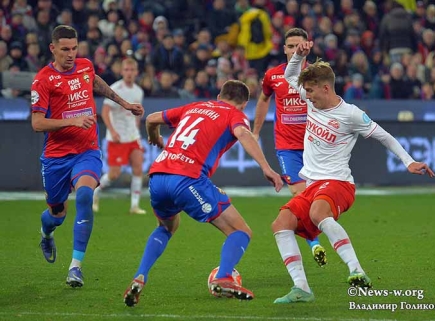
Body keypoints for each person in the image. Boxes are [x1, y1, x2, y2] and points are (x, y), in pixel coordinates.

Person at [272, 41, 435, 303]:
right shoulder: (311, 100)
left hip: (338, 183)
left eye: (312, 91)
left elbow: (385, 137)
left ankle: (356, 270)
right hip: (312, 184)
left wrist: (408, 162)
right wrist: (298, 57)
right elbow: (291, 76)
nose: (307, 96)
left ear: (326, 88)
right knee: (281, 224)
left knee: (317, 213)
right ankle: (301, 288)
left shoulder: (351, 115)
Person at [123, 80, 284, 307]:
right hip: (188, 178)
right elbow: (244, 135)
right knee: (241, 231)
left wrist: (154, 137)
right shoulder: (234, 114)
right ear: (244, 103)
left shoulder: (194, 106)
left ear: (219, 95)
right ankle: (224, 277)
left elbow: (151, 119)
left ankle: (140, 276)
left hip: (158, 176)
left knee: (166, 227)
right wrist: (267, 168)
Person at [31, 25, 144, 288]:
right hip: (57, 157)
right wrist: (72, 121)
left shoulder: (85, 66)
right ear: (53, 49)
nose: (71, 54)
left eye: (74, 48)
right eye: (65, 50)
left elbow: (94, 81)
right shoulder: (43, 80)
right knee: (56, 214)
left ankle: (75, 267)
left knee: (84, 195)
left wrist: (124, 104)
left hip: (87, 151)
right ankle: (46, 232)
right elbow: (37, 123)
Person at [252, 28, 327, 267]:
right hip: (287, 146)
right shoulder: (273, 76)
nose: (295, 50)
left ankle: (312, 235)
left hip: (314, 144)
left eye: (299, 46)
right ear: (284, 49)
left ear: (307, 47)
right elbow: (264, 99)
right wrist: (255, 130)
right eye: (290, 46)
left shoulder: (316, 75)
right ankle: (313, 243)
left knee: (317, 197)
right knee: (299, 194)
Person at [93, 58, 146, 215]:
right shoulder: (115, 89)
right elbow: (105, 112)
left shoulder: (139, 91)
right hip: (117, 138)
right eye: (126, 70)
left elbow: (136, 114)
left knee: (138, 168)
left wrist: (136, 127)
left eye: (132, 70)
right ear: (122, 71)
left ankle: (134, 206)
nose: (129, 73)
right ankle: (95, 193)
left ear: (136, 72)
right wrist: (113, 131)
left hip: (132, 136)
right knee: (114, 174)